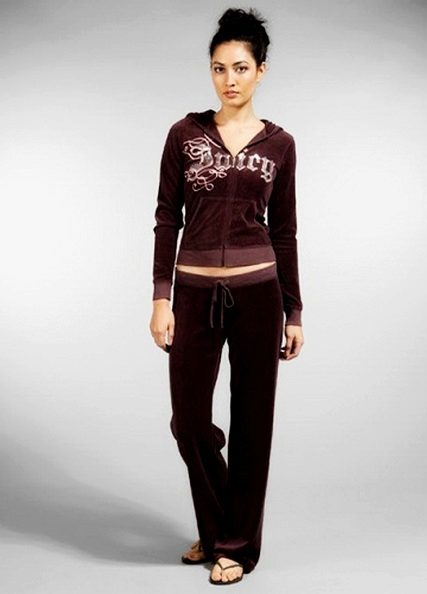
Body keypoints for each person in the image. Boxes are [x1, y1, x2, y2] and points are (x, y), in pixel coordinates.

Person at [149, 7, 304, 586]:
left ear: (261, 70)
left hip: (259, 295)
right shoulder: (184, 135)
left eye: (241, 67)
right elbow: (166, 218)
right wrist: (160, 296)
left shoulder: (280, 145)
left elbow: (284, 231)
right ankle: (218, 528)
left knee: (253, 423)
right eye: (219, 68)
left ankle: (235, 545)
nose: (229, 79)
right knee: (189, 422)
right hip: (193, 296)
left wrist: (294, 310)